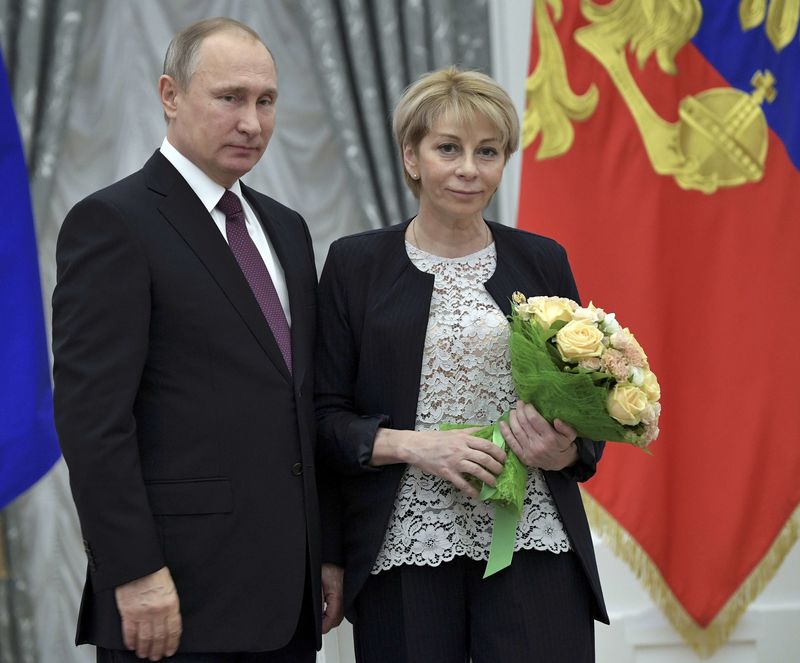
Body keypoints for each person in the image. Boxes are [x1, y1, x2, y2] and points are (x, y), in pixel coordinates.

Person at [52, 17, 342, 662]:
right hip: (173, 599)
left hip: (287, 598)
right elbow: (91, 420)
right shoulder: (112, 223)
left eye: (265, 101)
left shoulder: (287, 229)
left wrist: (325, 551)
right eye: (230, 98)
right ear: (171, 95)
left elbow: (300, 404)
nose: (252, 122)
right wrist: (133, 571)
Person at [315, 67, 609, 662]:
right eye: (448, 148)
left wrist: (568, 449)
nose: (469, 168)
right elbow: (322, 419)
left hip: (536, 539)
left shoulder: (542, 259)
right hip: (405, 545)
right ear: (412, 156)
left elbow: (589, 401)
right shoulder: (354, 265)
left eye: (488, 151)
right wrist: (416, 446)